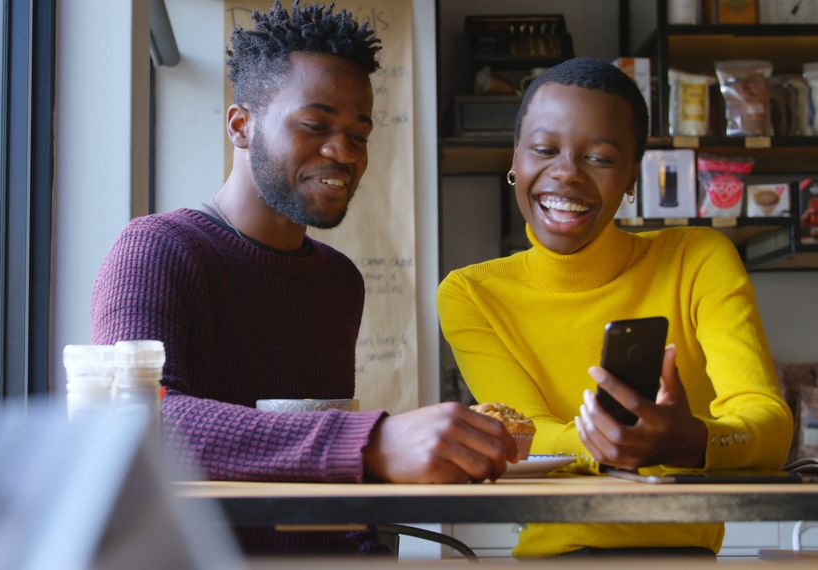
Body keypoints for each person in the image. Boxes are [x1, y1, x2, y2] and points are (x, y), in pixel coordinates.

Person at [91, 0, 516, 556]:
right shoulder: (157, 249)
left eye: (359, 135)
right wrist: (371, 442)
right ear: (241, 126)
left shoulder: (338, 281)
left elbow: (327, 496)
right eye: (315, 125)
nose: (343, 153)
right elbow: (138, 422)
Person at [437, 57, 794, 558]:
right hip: (553, 560)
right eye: (544, 150)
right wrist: (617, 442)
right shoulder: (471, 293)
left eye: (600, 158)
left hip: (685, 561)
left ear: (631, 176)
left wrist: (690, 440)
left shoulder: (696, 259)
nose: (566, 173)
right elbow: (526, 437)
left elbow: (769, 425)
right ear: (516, 158)